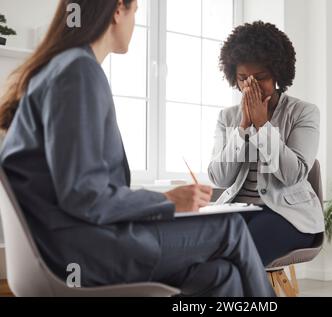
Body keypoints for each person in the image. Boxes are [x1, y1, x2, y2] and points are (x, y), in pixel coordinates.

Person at [0, 0, 274, 297]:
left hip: (63, 245)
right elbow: (83, 195)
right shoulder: (77, 70)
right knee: (230, 227)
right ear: (118, 9)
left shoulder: (59, 69)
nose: (133, 24)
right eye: (135, 12)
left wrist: (166, 202)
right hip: (77, 250)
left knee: (220, 275)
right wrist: (168, 202)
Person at [208, 21, 325, 266]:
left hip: (288, 214)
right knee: (199, 251)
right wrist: (242, 128)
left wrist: (262, 126)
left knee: (242, 254)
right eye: (242, 78)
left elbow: (293, 175)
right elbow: (219, 178)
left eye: (260, 78)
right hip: (238, 209)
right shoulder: (227, 117)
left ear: (278, 74)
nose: (250, 86)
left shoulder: (304, 112)